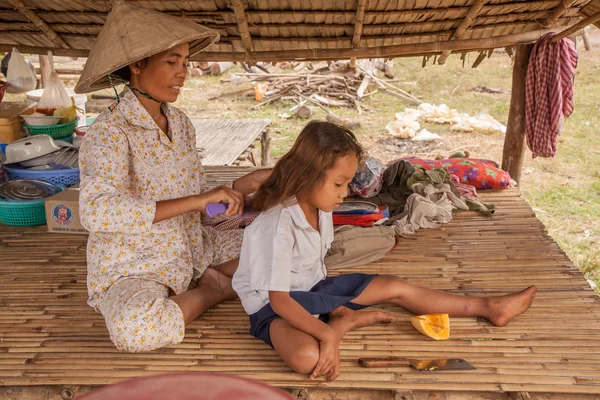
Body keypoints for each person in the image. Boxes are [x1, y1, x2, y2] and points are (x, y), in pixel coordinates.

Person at [232, 121, 537, 381]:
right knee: (307, 358)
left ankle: (489, 307)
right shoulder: (277, 225)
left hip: (313, 290)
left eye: (348, 183)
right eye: (339, 183)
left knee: (394, 286)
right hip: (273, 309)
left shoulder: (320, 205)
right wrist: (327, 336)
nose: (345, 193)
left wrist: (327, 314)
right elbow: (280, 301)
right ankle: (342, 321)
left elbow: (313, 271)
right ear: (308, 176)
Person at [75, 2, 270, 352]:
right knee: (135, 329)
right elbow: (95, 212)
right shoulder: (110, 131)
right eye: (171, 62)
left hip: (190, 246)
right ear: (137, 65)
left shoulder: (180, 123)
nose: (183, 73)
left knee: (281, 248)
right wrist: (200, 201)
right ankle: (212, 290)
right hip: (134, 262)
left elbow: (199, 204)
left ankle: (205, 279)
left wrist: (243, 188)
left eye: (185, 62)